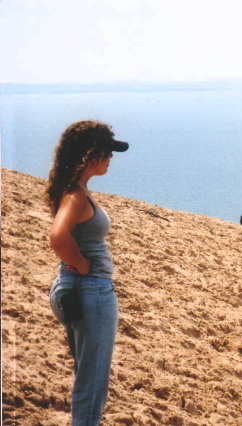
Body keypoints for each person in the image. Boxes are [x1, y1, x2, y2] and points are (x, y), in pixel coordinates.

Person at [46, 120, 128, 425]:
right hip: (89, 290)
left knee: (86, 374)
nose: (110, 158)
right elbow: (57, 236)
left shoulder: (70, 188)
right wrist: (81, 263)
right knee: (92, 382)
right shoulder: (76, 195)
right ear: (89, 154)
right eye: (107, 152)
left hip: (75, 288)